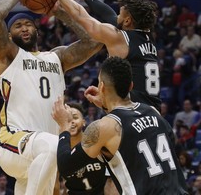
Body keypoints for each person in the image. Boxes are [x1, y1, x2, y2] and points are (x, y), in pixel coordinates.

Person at [0, 0, 102, 194]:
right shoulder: (8, 56)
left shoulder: (57, 57)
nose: (24, 28)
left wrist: (58, 10)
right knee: (52, 145)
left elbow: (94, 42)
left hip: (43, 153)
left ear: (37, 29)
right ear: (9, 36)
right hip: (15, 140)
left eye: (28, 24)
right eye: (18, 26)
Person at [52, 56, 188, 194]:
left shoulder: (103, 127)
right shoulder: (152, 111)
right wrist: (106, 105)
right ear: (131, 86)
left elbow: (66, 165)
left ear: (102, 86)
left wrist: (64, 126)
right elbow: (172, 141)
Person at [39, 0, 162, 111]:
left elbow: (82, 17)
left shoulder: (119, 38)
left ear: (127, 21)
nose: (116, 17)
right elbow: (109, 15)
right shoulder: (147, 36)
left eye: (120, 14)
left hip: (135, 113)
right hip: (154, 113)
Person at [59, 102, 107, 195]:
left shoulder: (96, 142)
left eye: (75, 117)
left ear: (84, 121)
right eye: (67, 119)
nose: (71, 122)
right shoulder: (59, 150)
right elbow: (56, 185)